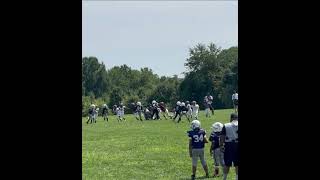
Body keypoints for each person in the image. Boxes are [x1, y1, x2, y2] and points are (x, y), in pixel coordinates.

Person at [220, 113, 238, 180]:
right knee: (237, 163)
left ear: (231, 118)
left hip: (229, 145)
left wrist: (221, 145)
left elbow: (222, 137)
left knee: (227, 163)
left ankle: (224, 178)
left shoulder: (226, 125)